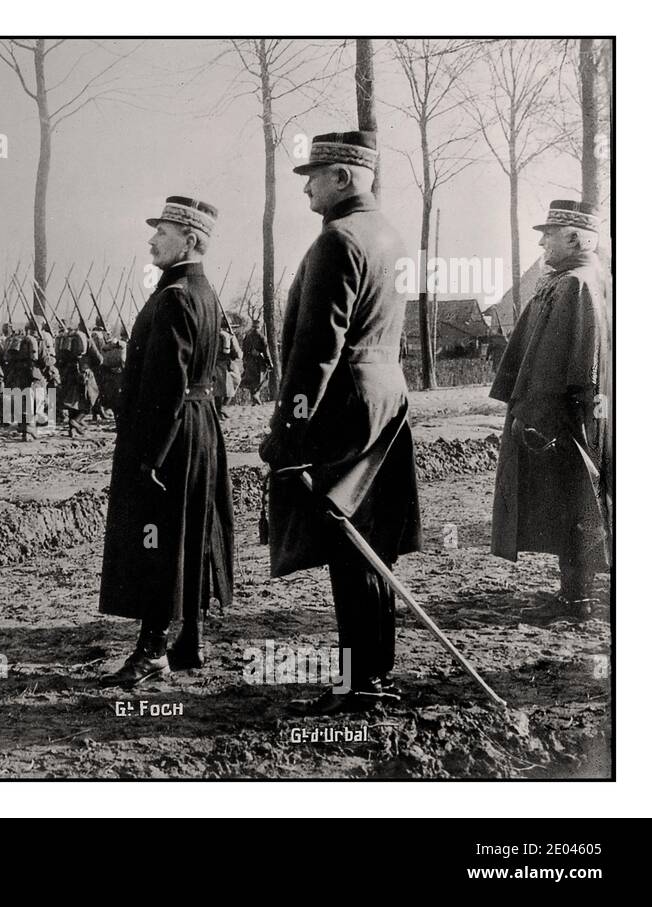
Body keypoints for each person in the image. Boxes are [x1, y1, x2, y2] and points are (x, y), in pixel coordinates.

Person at [260, 131, 422, 715]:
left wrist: (288, 432)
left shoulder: (339, 240)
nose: (306, 185)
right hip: (385, 400)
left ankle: (361, 683)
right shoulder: (391, 236)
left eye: (316, 174)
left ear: (345, 178)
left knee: (349, 543)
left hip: (344, 405)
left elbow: (315, 352)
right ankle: (374, 673)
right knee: (372, 544)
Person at [99, 196, 235, 688]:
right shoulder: (204, 291)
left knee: (158, 537)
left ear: (191, 240)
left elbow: (165, 387)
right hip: (198, 427)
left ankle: (152, 649)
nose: (152, 239)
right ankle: (191, 641)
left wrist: (151, 456)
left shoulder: (175, 296)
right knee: (191, 532)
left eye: (164, 231)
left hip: (170, 433)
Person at [489, 200, 611, 619]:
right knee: (567, 502)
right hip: (561, 418)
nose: (542, 241)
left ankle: (580, 597)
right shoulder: (565, 281)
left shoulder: (578, 283)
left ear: (576, 238)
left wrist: (575, 420)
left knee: (579, 501)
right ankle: (572, 592)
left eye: (549, 233)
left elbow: (586, 363)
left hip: (570, 421)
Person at [240, 320, 270, 404]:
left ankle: (255, 400)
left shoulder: (247, 336)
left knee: (252, 380)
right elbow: (266, 351)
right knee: (264, 378)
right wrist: (269, 362)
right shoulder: (261, 337)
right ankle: (256, 395)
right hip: (259, 362)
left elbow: (244, 349)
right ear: (259, 327)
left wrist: (244, 360)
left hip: (249, 361)